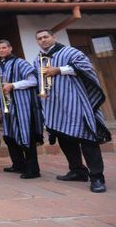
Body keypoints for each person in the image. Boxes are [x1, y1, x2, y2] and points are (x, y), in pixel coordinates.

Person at [34, 29, 111, 193]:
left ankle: (97, 177)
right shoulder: (38, 59)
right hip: (55, 107)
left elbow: (87, 68)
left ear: (53, 37)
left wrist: (59, 70)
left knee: (88, 139)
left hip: (76, 103)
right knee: (65, 138)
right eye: (39, 39)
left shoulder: (70, 51)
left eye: (46, 37)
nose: (43, 40)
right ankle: (78, 171)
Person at [0, 40, 44, 179]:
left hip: (23, 107)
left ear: (10, 48)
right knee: (10, 136)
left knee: (25, 136)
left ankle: (33, 170)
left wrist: (13, 85)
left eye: (4, 47)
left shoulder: (20, 62)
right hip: (7, 107)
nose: (1, 50)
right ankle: (18, 165)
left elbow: (34, 80)